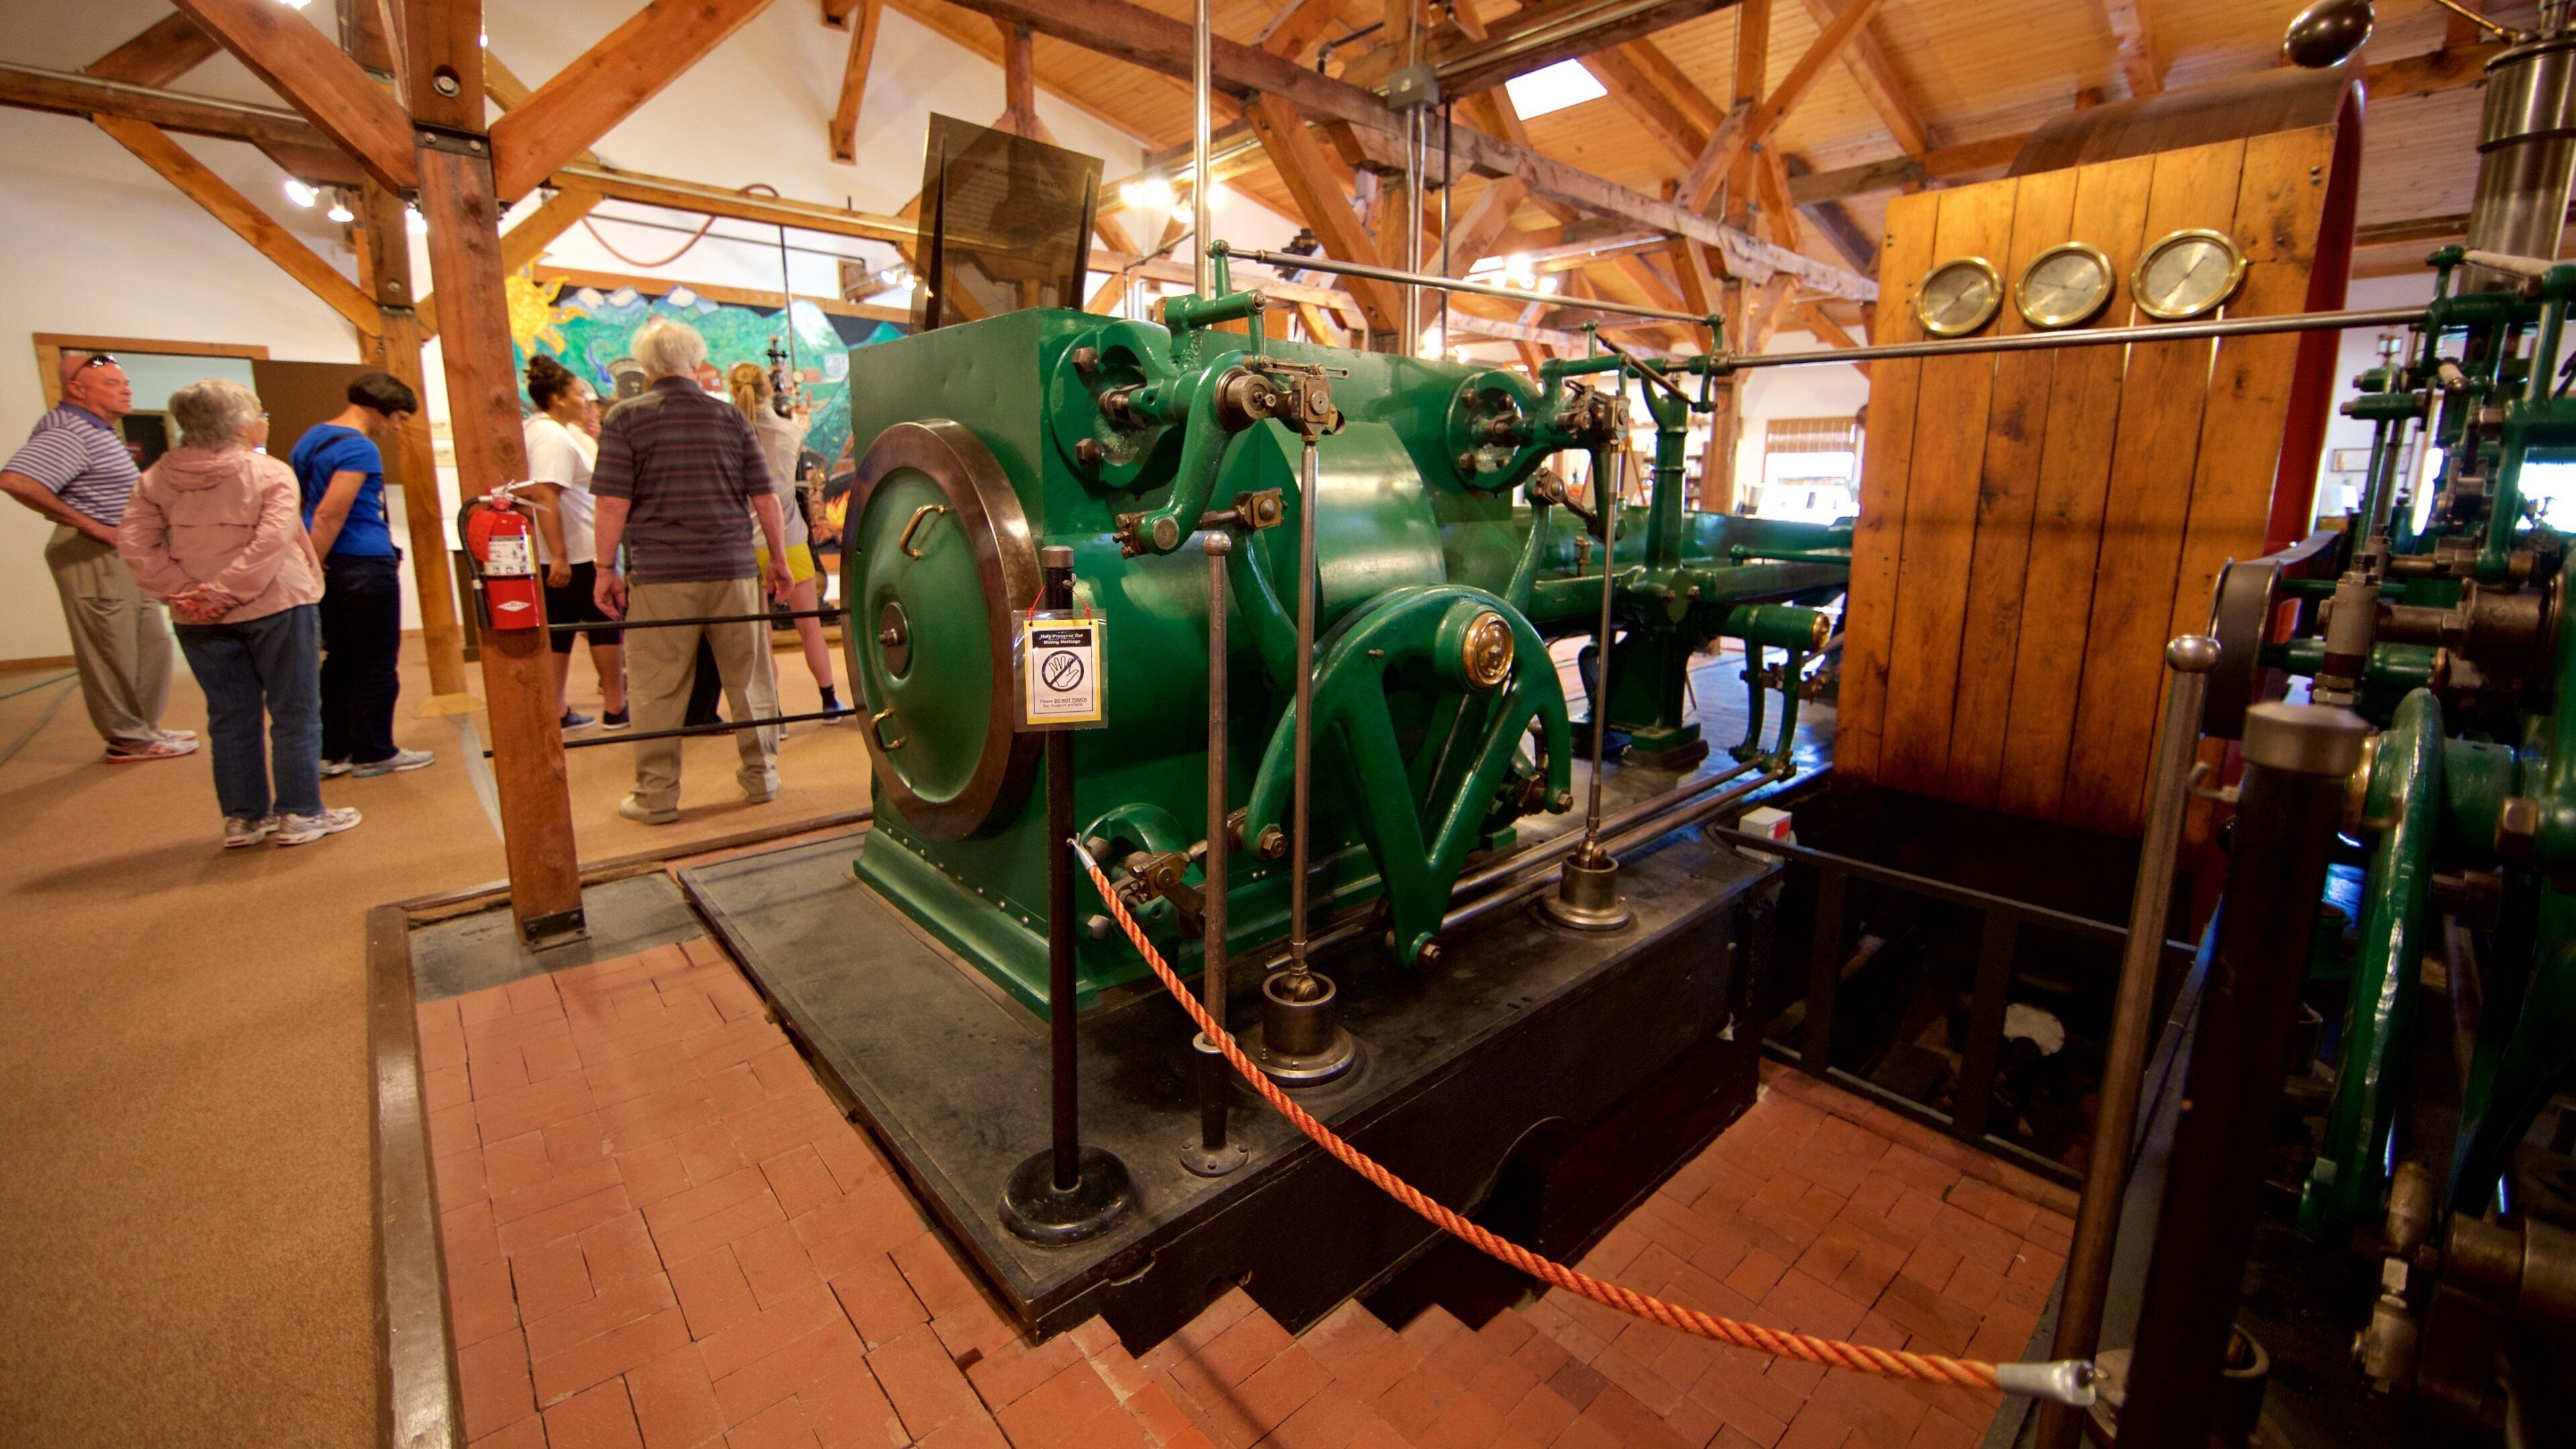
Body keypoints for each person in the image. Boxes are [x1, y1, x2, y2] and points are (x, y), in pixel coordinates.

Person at [119, 379, 357, 847]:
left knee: (229, 716)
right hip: (276, 605)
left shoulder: (154, 479)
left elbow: (136, 545)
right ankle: (300, 812)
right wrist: (223, 593)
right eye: (258, 411)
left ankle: (244, 818)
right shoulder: (269, 474)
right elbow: (270, 545)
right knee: (295, 711)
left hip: (197, 615)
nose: (262, 419)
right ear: (238, 422)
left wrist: (187, 593)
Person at [591, 317, 794, 824]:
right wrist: (780, 561)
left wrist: (603, 569)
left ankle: (657, 797)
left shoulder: (624, 419)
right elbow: (766, 499)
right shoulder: (729, 418)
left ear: (646, 365)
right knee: (750, 680)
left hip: (662, 574)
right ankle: (761, 779)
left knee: (658, 686)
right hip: (733, 568)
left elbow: (613, 505)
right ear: (696, 360)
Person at [0, 352, 194, 762]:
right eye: (112, 383)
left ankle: (144, 728)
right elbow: (17, 480)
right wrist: (92, 526)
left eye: (125, 383)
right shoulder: (70, 429)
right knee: (112, 649)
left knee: (150, 643)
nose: (126, 390)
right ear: (76, 389)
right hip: (95, 558)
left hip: (123, 554)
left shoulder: (98, 429)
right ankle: (127, 737)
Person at [291, 373, 434, 777]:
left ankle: (332, 750)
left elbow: (306, 503)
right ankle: (374, 750)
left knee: (339, 658)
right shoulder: (359, 448)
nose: (396, 428)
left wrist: (312, 559)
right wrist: (312, 562)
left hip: (334, 563)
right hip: (362, 564)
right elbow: (330, 512)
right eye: (398, 418)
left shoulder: (311, 438)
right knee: (376, 660)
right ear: (379, 408)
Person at [725, 362, 846, 721]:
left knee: (759, 639)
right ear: (768, 390)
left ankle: (773, 713)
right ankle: (829, 703)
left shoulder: (726, 432)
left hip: (743, 544)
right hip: (789, 538)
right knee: (809, 627)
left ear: (734, 391)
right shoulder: (791, 432)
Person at [522, 356, 628, 731]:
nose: (586, 400)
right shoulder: (551, 438)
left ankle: (557, 709)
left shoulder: (553, 431)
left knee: (561, 630)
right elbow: (545, 496)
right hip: (578, 552)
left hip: (572, 550)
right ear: (558, 399)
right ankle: (616, 705)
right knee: (603, 623)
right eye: (578, 394)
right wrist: (561, 557)